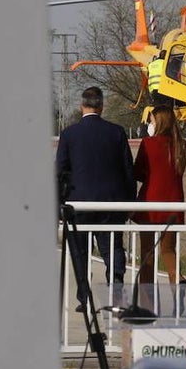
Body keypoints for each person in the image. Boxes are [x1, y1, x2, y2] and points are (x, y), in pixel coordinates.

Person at [55, 87, 136, 305]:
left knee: (80, 252)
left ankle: (84, 296)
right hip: (112, 203)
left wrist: (59, 205)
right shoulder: (116, 132)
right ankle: (116, 289)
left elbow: (60, 171)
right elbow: (128, 169)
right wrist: (130, 201)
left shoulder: (69, 134)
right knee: (113, 248)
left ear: (82, 106)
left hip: (79, 203)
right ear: (101, 106)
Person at [132, 106, 186, 314]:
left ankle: (148, 307)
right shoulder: (181, 145)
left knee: (147, 254)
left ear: (158, 122)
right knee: (168, 250)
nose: (150, 124)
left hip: (150, 203)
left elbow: (138, 172)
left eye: (151, 121)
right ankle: (177, 280)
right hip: (174, 203)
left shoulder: (148, 143)